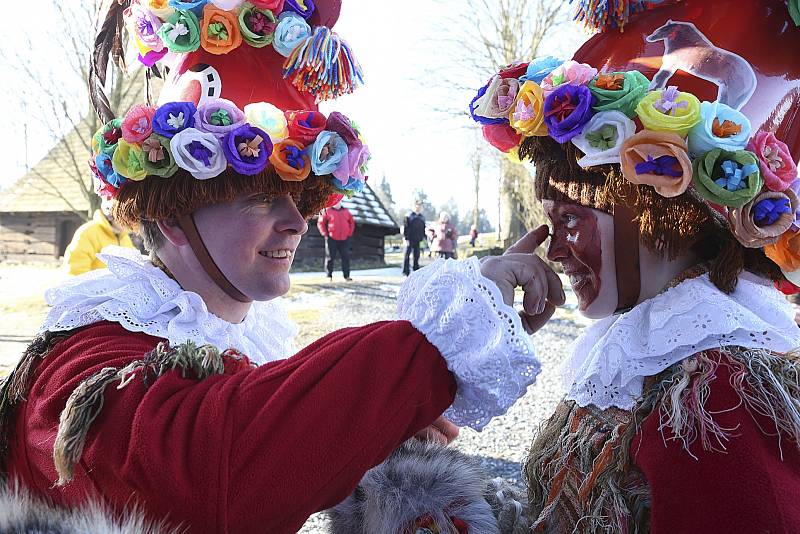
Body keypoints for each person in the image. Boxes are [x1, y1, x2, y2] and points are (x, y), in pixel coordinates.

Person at [0, 2, 565, 533]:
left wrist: (375, 435)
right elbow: (212, 471)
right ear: (171, 216)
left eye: (302, 196)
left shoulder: (223, 341)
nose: (298, 221)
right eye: (262, 195)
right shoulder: (86, 359)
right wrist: (421, 354)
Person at [471, 0, 800, 531]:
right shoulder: (651, 356)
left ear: (664, 215)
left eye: (571, 220)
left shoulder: (718, 391)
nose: (552, 252)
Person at [62, 198, 135, 275]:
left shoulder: (124, 237)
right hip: (94, 286)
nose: (130, 222)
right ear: (111, 216)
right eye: (125, 217)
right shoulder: (88, 232)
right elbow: (76, 270)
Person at [317, 200, 355, 281]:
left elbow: (352, 223)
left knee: (345, 257)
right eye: (336, 202)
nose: (337, 203)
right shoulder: (328, 211)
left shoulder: (346, 211)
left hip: (345, 239)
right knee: (330, 257)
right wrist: (325, 234)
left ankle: (346, 276)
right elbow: (321, 223)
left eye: (339, 202)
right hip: (331, 239)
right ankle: (329, 276)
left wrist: (349, 234)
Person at [402, 200, 426, 275]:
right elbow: (405, 228)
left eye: (420, 205)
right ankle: (406, 272)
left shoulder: (422, 218)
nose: (418, 207)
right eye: (417, 205)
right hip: (409, 239)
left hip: (418, 240)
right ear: (413, 206)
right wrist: (406, 238)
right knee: (407, 255)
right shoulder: (408, 216)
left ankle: (416, 270)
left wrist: (423, 238)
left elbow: (423, 229)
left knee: (417, 255)